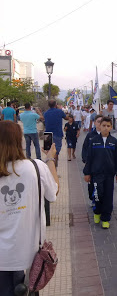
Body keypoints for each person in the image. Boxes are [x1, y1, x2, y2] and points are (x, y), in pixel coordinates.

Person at [0, 121, 59, 295]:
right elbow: (53, 193)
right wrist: (50, 160)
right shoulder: (36, 167)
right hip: (29, 255)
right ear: (19, 140)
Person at [83, 117, 117, 229]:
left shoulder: (114, 142)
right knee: (98, 194)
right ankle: (97, 212)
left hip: (109, 175)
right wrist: (87, 173)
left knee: (108, 196)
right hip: (96, 174)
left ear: (111, 127)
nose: (105, 128)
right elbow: (89, 158)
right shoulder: (94, 141)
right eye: (103, 125)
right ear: (99, 126)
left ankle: (106, 218)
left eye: (108, 126)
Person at [82, 114, 103, 204]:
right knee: (92, 184)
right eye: (98, 122)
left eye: (102, 122)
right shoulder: (90, 136)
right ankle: (92, 198)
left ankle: (102, 200)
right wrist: (86, 160)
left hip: (104, 166)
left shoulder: (107, 136)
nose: (100, 124)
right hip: (92, 165)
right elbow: (85, 148)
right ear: (94, 123)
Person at [44, 99, 68, 166]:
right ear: (56, 105)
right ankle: (54, 169)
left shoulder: (45, 113)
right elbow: (66, 118)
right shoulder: (59, 111)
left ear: (48, 105)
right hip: (57, 133)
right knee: (56, 153)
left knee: (49, 152)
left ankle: (49, 169)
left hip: (47, 134)